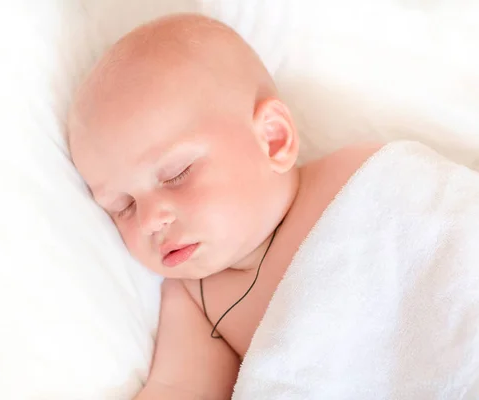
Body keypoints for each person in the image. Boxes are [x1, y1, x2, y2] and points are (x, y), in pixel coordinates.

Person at [67, 12, 380, 399]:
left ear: (273, 139)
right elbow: (179, 388)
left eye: (176, 174)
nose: (150, 220)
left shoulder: (361, 177)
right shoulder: (196, 300)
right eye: (123, 206)